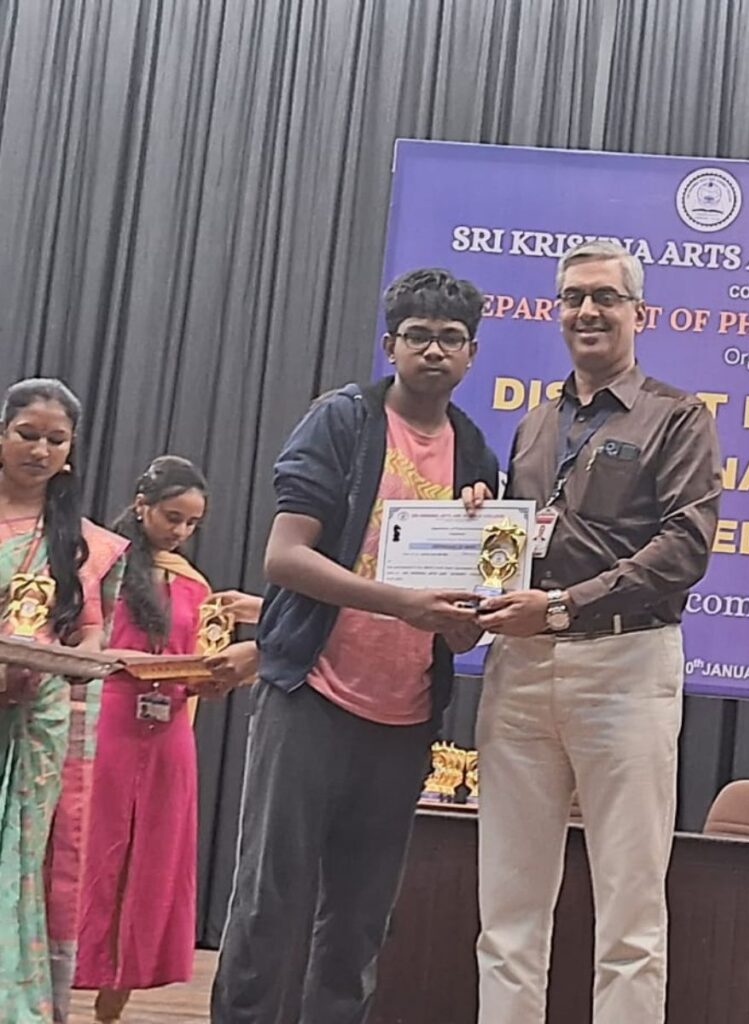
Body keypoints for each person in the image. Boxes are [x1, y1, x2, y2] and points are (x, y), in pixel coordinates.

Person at [211, 267, 499, 1023]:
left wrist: (469, 621)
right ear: (390, 345)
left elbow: (466, 605)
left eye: (450, 340)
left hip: (404, 716)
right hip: (311, 694)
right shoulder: (342, 420)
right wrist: (402, 602)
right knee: (270, 902)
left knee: (360, 921)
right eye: (418, 337)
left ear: (471, 355)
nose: (433, 352)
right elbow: (285, 558)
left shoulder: (475, 453)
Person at [463, 239, 721, 1024]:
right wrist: (477, 521)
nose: (587, 311)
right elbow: (517, 541)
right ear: (556, 310)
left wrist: (567, 607)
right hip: (521, 669)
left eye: (605, 296)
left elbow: (684, 548)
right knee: (506, 920)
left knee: (631, 922)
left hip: (626, 667)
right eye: (573, 296)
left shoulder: (677, 418)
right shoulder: (534, 424)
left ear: (638, 313)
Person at [74, 456, 258, 1023]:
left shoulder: (195, 584)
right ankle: (55, 985)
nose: (179, 531)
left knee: (150, 862)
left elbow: (203, 662)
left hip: (170, 734)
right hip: (105, 727)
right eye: (171, 517)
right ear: (142, 505)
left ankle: (115, 1001)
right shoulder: (99, 564)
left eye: (191, 523)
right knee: (85, 854)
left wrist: (217, 674)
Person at [0, 378, 128, 1024]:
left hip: (33, 718)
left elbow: (89, 634)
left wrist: (64, 666)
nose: (40, 450)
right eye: (27, 435)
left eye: (56, 440)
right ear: (2, 437)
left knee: (17, 858)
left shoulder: (79, 542)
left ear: (72, 450)